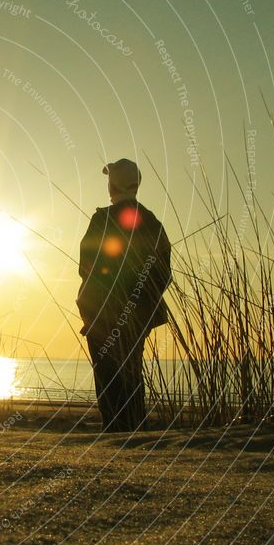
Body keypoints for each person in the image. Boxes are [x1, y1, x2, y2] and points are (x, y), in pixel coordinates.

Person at [76, 158, 171, 432]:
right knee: (131, 376)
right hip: (137, 319)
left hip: (104, 318)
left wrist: (96, 308)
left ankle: (119, 436)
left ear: (112, 185)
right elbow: (163, 273)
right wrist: (140, 306)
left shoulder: (102, 220)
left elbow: (87, 268)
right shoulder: (152, 222)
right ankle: (132, 431)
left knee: (109, 380)